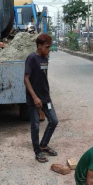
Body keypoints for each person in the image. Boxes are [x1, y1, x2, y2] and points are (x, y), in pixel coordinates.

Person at [24, 33, 58, 163]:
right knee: (36, 126)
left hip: (45, 97)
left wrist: (45, 95)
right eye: (47, 47)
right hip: (34, 99)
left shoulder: (45, 58)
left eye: (49, 47)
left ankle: (44, 144)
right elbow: (26, 79)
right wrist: (34, 97)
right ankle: (37, 152)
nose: (49, 50)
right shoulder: (31, 58)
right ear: (39, 46)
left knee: (54, 121)